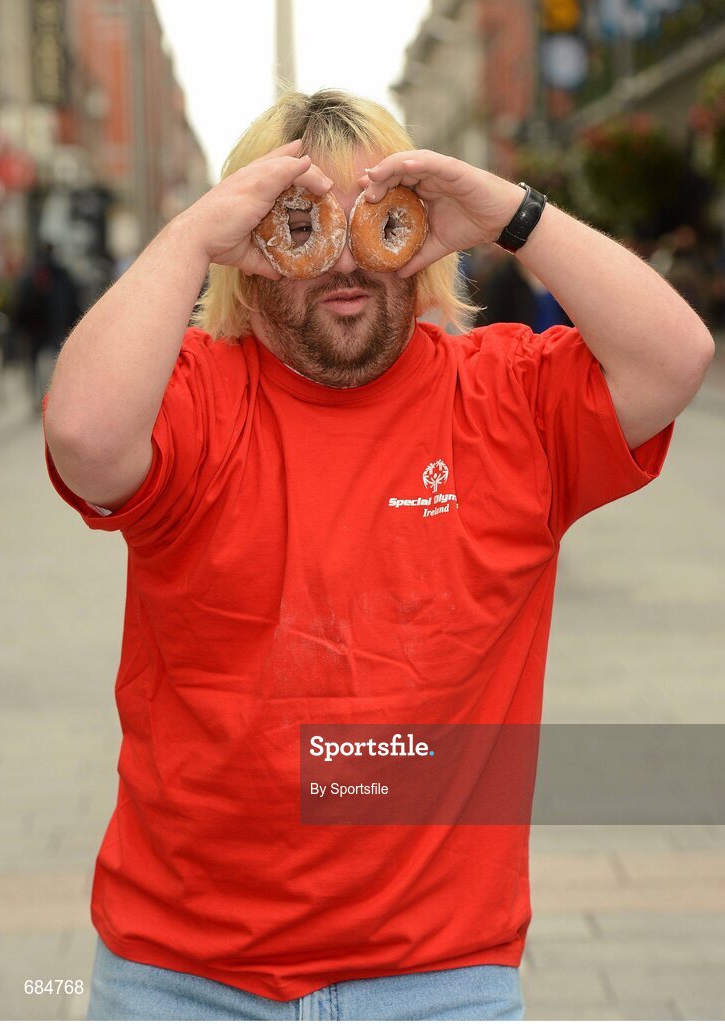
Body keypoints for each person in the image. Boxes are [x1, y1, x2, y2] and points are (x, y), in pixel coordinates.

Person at [41, 90, 713, 1021]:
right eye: (301, 223)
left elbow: (676, 359)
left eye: (378, 217)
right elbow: (84, 436)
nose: (346, 258)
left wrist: (510, 215)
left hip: (442, 981)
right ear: (251, 245)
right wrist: (192, 235)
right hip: (180, 977)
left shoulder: (509, 398)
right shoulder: (190, 397)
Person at [12, 241, 82, 413]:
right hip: (52, 327)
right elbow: (73, 303)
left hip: (40, 329)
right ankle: (52, 399)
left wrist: (21, 328)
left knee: (38, 366)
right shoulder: (61, 275)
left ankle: (43, 399)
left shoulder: (33, 275)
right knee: (53, 364)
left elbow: (21, 305)